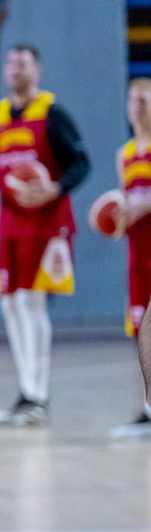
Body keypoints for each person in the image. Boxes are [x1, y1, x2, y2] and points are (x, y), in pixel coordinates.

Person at [0, 44, 90, 427]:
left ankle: (38, 397)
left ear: (36, 71)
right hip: (11, 221)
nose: (15, 69)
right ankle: (26, 392)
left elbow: (81, 162)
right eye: (10, 62)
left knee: (31, 303)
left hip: (46, 221)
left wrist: (55, 188)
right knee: (9, 305)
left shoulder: (52, 112)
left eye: (22, 63)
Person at [112, 79, 151, 436]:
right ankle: (148, 409)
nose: (137, 105)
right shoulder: (124, 154)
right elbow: (127, 207)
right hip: (138, 259)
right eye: (132, 100)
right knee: (142, 335)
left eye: (144, 99)